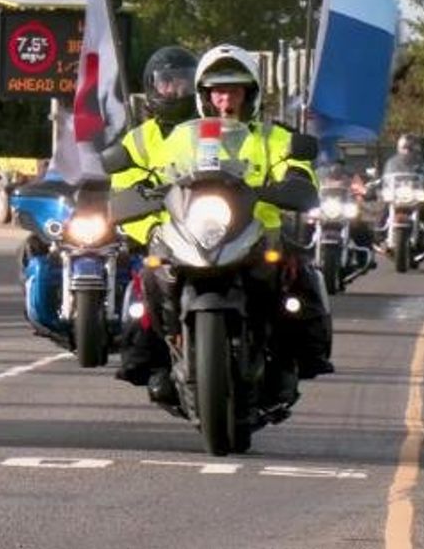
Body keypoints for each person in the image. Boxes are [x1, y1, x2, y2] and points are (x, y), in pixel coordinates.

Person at [143, 44, 333, 405]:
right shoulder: (181, 139)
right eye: (217, 91)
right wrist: (142, 190)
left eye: (233, 90)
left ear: (250, 94)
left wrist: (295, 178)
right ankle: (160, 357)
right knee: (152, 275)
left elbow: (301, 170)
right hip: (197, 231)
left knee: (300, 280)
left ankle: (291, 362)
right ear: (204, 96)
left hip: (259, 233)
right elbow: (157, 173)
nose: (225, 99)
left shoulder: (273, 137)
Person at [109, 46, 198, 394]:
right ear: (152, 87)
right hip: (165, 235)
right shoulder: (139, 140)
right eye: (167, 83)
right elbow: (122, 191)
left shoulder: (213, 131)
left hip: (212, 230)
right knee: (146, 283)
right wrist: (150, 229)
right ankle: (153, 361)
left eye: (184, 82)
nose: (175, 91)